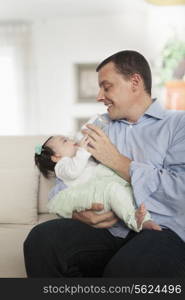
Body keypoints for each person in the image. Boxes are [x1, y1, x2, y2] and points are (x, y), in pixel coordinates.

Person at [24, 50, 185, 277]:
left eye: (106, 87)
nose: (99, 96)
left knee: (125, 270)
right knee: (41, 240)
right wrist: (76, 213)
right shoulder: (101, 128)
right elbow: (68, 182)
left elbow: (180, 190)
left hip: (162, 230)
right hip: (110, 230)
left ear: (135, 82)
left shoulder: (177, 125)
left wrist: (118, 162)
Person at [34, 134, 161, 232]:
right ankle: (135, 221)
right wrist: (82, 151)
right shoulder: (62, 166)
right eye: (65, 141)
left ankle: (144, 218)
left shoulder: (81, 159)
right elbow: (73, 171)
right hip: (94, 197)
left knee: (126, 193)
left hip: (104, 189)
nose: (72, 141)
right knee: (114, 190)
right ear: (55, 157)